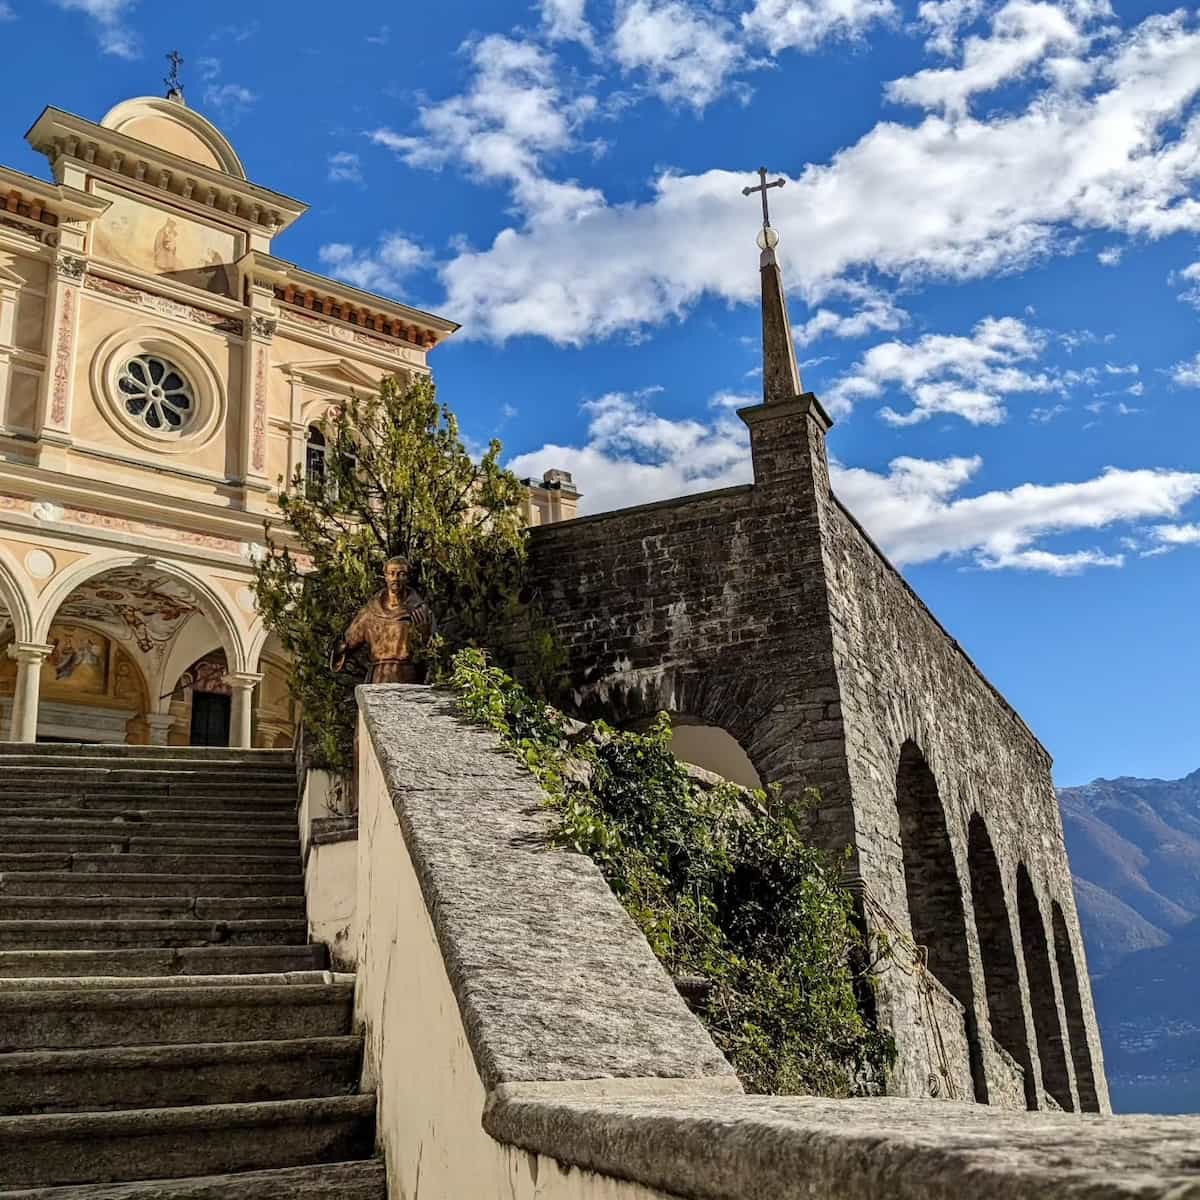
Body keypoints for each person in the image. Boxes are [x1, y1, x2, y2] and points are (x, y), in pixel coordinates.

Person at [330, 557, 434, 684]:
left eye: (401, 574)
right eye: (391, 573)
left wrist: (424, 634)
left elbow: (435, 650)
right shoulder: (371, 612)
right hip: (379, 676)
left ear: (407, 578)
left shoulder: (420, 611)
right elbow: (347, 643)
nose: (395, 578)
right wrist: (341, 647)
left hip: (407, 677)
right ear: (385, 576)